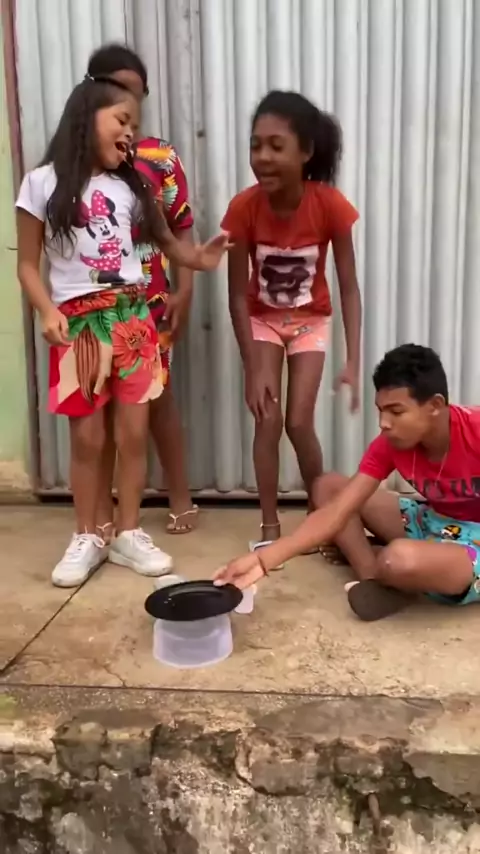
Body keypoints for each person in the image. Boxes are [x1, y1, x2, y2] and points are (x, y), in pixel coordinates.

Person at [16, 74, 229, 587]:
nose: (131, 132)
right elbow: (26, 265)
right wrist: (46, 310)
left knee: (133, 434)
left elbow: (168, 244)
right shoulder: (41, 183)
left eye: (134, 124)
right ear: (86, 117)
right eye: (122, 120)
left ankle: (128, 533)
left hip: (135, 319)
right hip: (81, 324)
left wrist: (199, 259)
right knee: (88, 439)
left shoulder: (132, 185)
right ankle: (87, 535)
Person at [215, 344, 480, 621]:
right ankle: (375, 579)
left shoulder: (475, 431)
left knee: (399, 559)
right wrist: (262, 560)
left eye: (396, 411)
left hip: (475, 545)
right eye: (381, 410)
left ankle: (398, 568)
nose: (384, 423)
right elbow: (337, 511)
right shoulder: (391, 443)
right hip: (433, 521)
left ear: (435, 406)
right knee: (327, 487)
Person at [221, 90, 361, 555]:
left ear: (305, 153)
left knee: (299, 422)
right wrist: (252, 366)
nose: (262, 157)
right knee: (267, 419)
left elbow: (349, 288)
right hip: (262, 321)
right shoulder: (243, 208)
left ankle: (321, 521)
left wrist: (353, 361)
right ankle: (269, 528)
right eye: (256, 145)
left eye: (276, 146)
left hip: (309, 321)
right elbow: (237, 295)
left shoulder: (329, 205)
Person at [86, 44, 199, 551]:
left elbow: (183, 224)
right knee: (101, 404)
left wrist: (186, 289)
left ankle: (180, 496)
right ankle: (104, 509)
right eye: (115, 88)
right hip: (94, 304)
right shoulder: (77, 164)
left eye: (135, 91)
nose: (127, 100)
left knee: (159, 396)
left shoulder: (159, 157)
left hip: (152, 298)